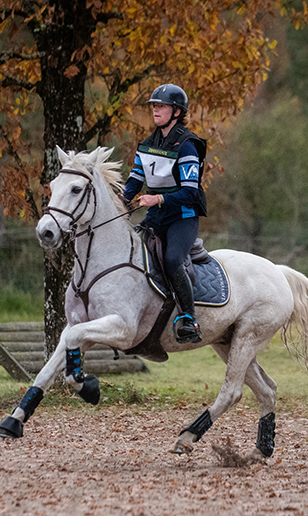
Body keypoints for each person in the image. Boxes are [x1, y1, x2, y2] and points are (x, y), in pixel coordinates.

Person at [122, 83, 207, 344]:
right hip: (157, 218)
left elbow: (190, 193)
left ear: (177, 112)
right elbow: (134, 183)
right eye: (154, 106)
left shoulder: (187, 146)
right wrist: (118, 201)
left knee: (171, 261)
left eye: (161, 106)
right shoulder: (147, 145)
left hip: (183, 217)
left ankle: (189, 319)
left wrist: (157, 198)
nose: (156, 110)